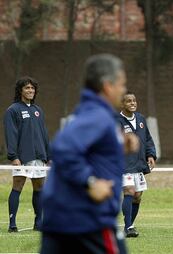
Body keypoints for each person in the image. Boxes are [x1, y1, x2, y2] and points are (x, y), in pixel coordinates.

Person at [40, 54, 138, 254]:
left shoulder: (91, 112)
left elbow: (86, 151)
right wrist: (90, 182)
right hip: (89, 220)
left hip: (64, 220)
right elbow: (63, 148)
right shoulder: (97, 116)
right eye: (121, 84)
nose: (123, 90)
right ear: (108, 86)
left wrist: (119, 147)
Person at [3, 77, 50, 233]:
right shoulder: (13, 110)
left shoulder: (38, 110)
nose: (30, 91)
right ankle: (12, 224)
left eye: (32, 88)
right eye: (27, 88)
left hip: (39, 157)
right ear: (20, 91)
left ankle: (38, 223)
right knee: (18, 186)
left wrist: (47, 155)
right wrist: (13, 156)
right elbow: (11, 134)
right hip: (22, 157)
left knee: (39, 188)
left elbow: (44, 134)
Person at [116, 91, 157, 238]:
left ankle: (129, 226)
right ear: (122, 104)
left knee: (138, 196)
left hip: (138, 164)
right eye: (128, 101)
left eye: (134, 100)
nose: (132, 103)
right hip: (124, 165)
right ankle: (129, 226)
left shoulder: (140, 119)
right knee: (128, 191)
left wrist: (151, 154)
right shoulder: (116, 121)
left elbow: (147, 139)